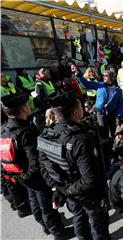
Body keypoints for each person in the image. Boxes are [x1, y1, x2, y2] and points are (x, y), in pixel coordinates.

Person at [38, 92, 110, 240]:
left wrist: (60, 188)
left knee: (78, 217)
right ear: (76, 111)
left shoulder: (46, 134)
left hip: (68, 188)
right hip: (87, 193)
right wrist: (66, 190)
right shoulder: (81, 139)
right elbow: (90, 179)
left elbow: (43, 167)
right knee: (98, 224)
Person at [0, 93, 73, 239]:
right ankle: (58, 232)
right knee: (46, 205)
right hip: (35, 176)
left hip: (20, 175)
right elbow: (36, 160)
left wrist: (20, 177)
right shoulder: (26, 131)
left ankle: (46, 226)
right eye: (27, 105)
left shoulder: (4, 129)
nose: (29, 107)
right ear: (23, 109)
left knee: (34, 201)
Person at [78, 70, 123, 137]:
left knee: (113, 131)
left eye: (106, 75)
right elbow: (86, 84)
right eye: (103, 75)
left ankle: (111, 145)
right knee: (103, 131)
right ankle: (104, 144)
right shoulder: (100, 85)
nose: (104, 77)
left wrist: (119, 115)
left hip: (112, 113)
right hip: (101, 112)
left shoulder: (117, 90)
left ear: (111, 77)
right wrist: (78, 74)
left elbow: (120, 104)